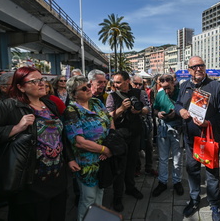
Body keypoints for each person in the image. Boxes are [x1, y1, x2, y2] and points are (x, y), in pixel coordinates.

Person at [0, 67, 68, 221]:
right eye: (34, 81)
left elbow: (59, 137)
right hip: (29, 185)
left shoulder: (49, 105)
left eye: (42, 79)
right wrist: (15, 128)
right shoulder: (8, 106)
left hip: (57, 181)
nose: (41, 83)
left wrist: (69, 159)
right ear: (20, 87)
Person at [175, 56, 220, 221]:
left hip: (209, 139)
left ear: (205, 67)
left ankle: (214, 204)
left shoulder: (216, 86)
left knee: (212, 173)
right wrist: (180, 111)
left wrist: (208, 123)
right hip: (191, 140)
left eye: (201, 65)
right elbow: (177, 104)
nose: (198, 68)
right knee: (192, 171)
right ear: (189, 70)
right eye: (194, 66)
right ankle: (194, 199)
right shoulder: (184, 86)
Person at [63, 75, 114, 221]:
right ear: (73, 94)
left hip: (103, 158)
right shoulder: (72, 111)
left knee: (100, 193)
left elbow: (109, 121)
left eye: (88, 86)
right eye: (83, 88)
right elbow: (79, 141)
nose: (88, 89)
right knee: (88, 198)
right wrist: (104, 150)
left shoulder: (97, 102)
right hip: (87, 162)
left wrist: (109, 146)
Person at [105, 71, 150, 212]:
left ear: (127, 81)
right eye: (114, 82)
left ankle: (130, 188)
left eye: (118, 82)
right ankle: (117, 197)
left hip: (135, 133)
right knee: (120, 167)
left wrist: (140, 111)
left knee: (132, 163)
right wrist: (121, 109)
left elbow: (147, 108)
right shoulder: (111, 96)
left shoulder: (139, 92)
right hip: (119, 135)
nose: (115, 85)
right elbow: (107, 116)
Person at [152, 73, 184, 197]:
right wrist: (158, 113)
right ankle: (162, 182)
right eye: (164, 88)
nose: (166, 91)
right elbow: (154, 109)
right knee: (163, 159)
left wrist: (175, 114)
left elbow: (187, 110)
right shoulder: (160, 94)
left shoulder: (181, 92)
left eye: (168, 88)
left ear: (173, 82)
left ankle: (177, 182)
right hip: (163, 129)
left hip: (177, 129)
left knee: (177, 159)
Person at [132, 75, 158, 177]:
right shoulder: (128, 93)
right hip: (134, 125)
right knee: (137, 147)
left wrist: (149, 120)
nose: (138, 86)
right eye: (135, 83)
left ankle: (149, 167)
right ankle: (137, 167)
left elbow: (148, 108)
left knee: (149, 146)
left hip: (145, 123)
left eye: (140, 84)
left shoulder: (143, 93)